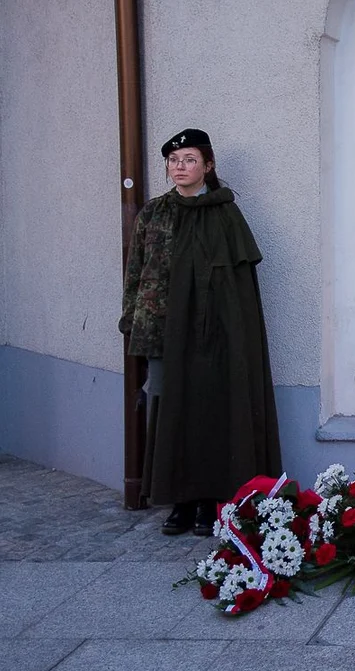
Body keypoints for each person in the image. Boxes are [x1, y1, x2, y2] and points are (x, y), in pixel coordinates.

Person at [119, 128, 282, 536]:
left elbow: (239, 287)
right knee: (169, 410)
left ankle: (211, 501)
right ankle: (180, 502)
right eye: (174, 160)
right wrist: (132, 320)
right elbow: (136, 272)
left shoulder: (225, 214)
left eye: (189, 159)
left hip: (216, 337)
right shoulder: (154, 214)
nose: (180, 167)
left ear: (208, 166)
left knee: (211, 412)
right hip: (163, 332)